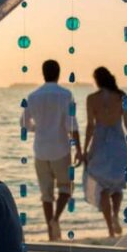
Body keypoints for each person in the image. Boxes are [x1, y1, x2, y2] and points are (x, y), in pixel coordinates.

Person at [21, 59, 83, 241]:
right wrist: (78, 148)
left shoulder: (33, 96)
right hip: (61, 149)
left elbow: (24, 123)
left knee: (46, 194)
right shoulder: (65, 95)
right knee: (66, 187)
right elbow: (72, 124)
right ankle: (56, 219)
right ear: (58, 73)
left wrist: (37, 128)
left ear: (43, 73)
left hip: (40, 150)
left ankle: (51, 230)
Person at [84, 66, 127, 237]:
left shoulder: (92, 98)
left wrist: (84, 150)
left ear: (97, 80)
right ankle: (116, 215)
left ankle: (110, 229)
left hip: (100, 143)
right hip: (118, 142)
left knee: (103, 186)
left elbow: (90, 125)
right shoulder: (121, 96)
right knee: (117, 185)